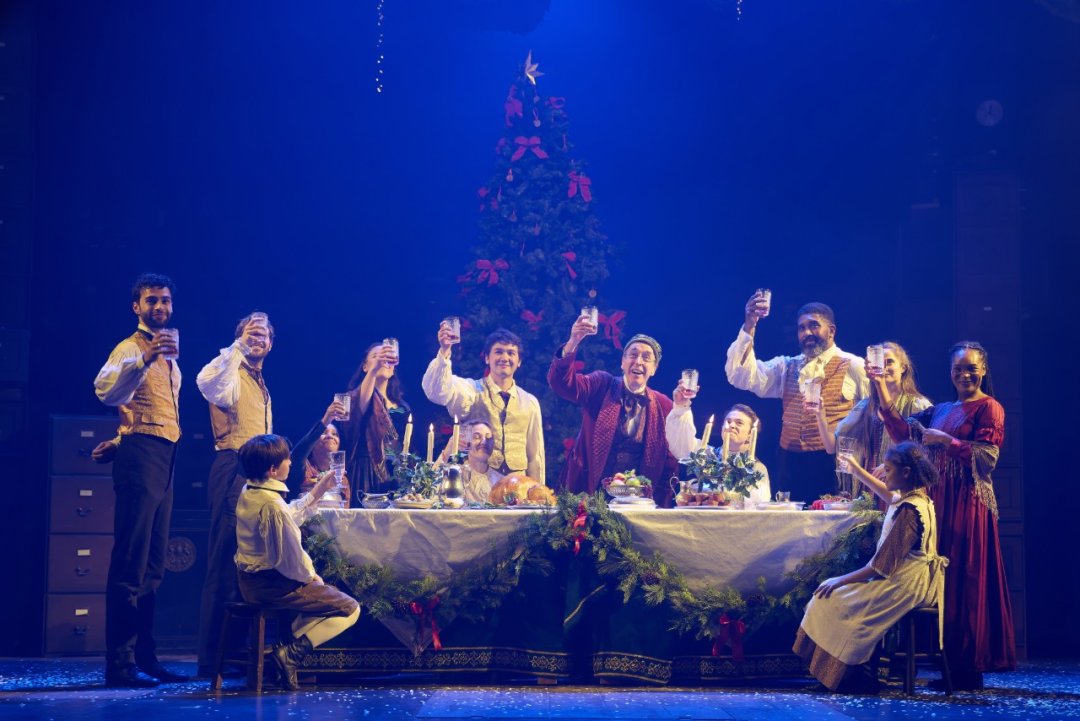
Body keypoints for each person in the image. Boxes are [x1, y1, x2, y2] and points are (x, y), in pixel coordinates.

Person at [879, 341, 1015, 690]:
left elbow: (987, 459)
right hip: (941, 501)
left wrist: (946, 442)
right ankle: (950, 666)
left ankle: (969, 667)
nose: (964, 375)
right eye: (958, 369)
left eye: (971, 368)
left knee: (965, 579)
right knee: (944, 583)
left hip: (969, 503)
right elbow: (902, 432)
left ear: (983, 370)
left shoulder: (990, 408)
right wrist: (880, 385)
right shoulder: (940, 410)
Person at [93, 273, 187, 687]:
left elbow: (143, 410)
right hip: (142, 458)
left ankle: (145, 656)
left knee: (152, 565)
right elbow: (106, 392)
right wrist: (145, 359)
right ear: (137, 307)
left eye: (165, 300)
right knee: (130, 562)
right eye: (152, 300)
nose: (160, 307)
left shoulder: (170, 357)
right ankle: (119, 663)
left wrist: (118, 438)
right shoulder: (131, 348)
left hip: (164, 455)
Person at [794, 441, 946, 693]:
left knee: (835, 599)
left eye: (888, 469)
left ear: (906, 472)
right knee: (835, 596)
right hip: (907, 578)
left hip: (905, 584)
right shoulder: (916, 500)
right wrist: (856, 470)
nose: (884, 474)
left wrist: (840, 579)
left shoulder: (910, 512)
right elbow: (888, 495)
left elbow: (880, 567)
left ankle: (854, 675)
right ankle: (846, 674)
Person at [234, 434, 361, 690]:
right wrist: (311, 577)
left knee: (323, 602)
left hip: (250, 581)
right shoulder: (272, 505)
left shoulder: (251, 492)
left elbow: (288, 516)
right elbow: (289, 561)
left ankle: (283, 651)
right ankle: (289, 655)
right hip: (273, 585)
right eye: (286, 459)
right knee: (351, 608)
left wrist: (319, 489)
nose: (291, 462)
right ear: (273, 470)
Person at [725, 293, 868, 502]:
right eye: (801, 328)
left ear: (831, 331)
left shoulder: (853, 365)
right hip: (790, 464)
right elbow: (742, 376)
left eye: (813, 326)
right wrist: (750, 326)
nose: (807, 332)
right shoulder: (787, 366)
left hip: (833, 465)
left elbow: (874, 413)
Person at [194, 312, 275, 676]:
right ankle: (213, 658)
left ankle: (238, 653)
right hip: (232, 468)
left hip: (255, 473)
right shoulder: (227, 370)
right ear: (238, 337)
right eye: (250, 332)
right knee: (224, 563)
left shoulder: (260, 381)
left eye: (264, 334)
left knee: (248, 563)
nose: (258, 338)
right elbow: (208, 383)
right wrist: (237, 348)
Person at [548, 317, 678, 506]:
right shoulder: (601, 385)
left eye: (646, 358)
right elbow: (563, 385)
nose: (638, 362)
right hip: (589, 494)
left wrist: (660, 505)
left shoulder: (664, 405)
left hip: (637, 503)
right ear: (622, 362)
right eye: (633, 355)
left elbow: (670, 461)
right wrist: (573, 341)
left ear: (654, 369)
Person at [423, 325, 545, 482]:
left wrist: (538, 492)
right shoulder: (471, 391)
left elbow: (535, 456)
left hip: (517, 487)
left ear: (519, 361)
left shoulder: (530, 402)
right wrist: (445, 351)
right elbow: (438, 391)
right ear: (487, 358)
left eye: (511, 353)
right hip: (477, 485)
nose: (505, 358)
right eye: (498, 352)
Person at [813, 341, 931, 497]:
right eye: (880, 363)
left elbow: (927, 453)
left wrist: (892, 464)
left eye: (889, 362)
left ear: (903, 367)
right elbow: (832, 447)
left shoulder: (918, 405)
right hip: (870, 488)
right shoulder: (865, 407)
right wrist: (819, 414)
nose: (883, 368)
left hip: (903, 489)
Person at [337, 341, 411, 498]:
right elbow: (361, 406)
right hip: (367, 470)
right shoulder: (355, 397)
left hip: (396, 471)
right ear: (365, 367)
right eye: (376, 356)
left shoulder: (403, 406)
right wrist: (374, 370)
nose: (382, 360)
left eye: (386, 357)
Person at [666, 400, 772, 506]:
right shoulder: (707, 455)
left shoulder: (756, 469)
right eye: (728, 421)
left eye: (739, 423)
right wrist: (682, 406)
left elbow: (759, 504)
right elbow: (681, 442)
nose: (731, 425)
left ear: (750, 435)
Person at [286, 398, 351, 507]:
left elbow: (345, 512)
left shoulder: (342, 478)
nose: (330, 436)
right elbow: (297, 455)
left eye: (335, 434)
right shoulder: (303, 469)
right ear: (313, 442)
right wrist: (326, 420)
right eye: (324, 433)